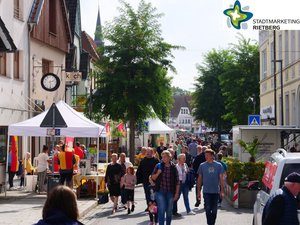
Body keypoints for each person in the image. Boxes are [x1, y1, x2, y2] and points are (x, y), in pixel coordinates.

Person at [150, 150, 180, 225]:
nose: (163, 158)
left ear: (169, 157)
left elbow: (177, 181)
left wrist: (176, 193)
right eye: (162, 157)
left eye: (165, 157)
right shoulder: (158, 166)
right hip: (160, 191)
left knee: (169, 211)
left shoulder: (173, 167)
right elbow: (152, 177)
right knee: (161, 210)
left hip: (170, 192)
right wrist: (158, 173)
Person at [197, 149, 224, 225]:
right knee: (208, 209)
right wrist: (198, 191)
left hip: (215, 191)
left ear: (212, 156)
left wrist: (222, 191)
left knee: (214, 210)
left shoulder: (219, 165)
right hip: (206, 191)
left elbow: (221, 179)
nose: (206, 157)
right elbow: (199, 179)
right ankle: (210, 223)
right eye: (205, 155)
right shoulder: (202, 165)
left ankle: (212, 223)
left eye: (207, 155)